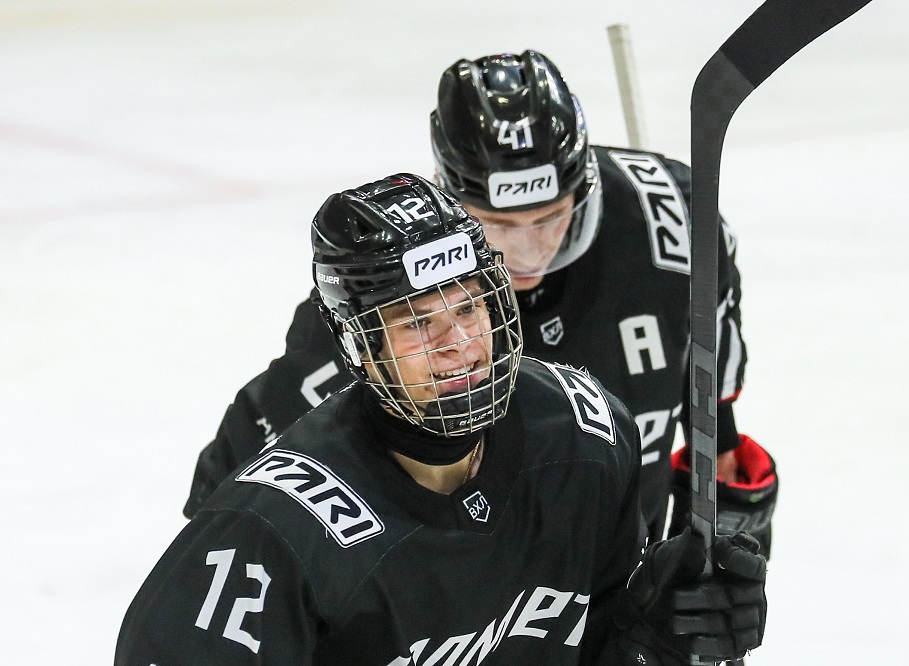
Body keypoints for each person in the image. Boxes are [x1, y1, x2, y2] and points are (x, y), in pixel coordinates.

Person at [116, 174, 767, 665]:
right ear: (358, 346)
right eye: (416, 322)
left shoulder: (586, 441)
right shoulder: (272, 538)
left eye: (468, 306)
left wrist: (659, 636)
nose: (456, 342)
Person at [182, 50, 777, 555]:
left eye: (549, 217)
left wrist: (724, 456)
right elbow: (240, 474)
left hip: (618, 587)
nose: (526, 251)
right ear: (451, 199)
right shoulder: (383, 296)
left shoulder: (668, 223)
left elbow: (711, 389)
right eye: (497, 224)